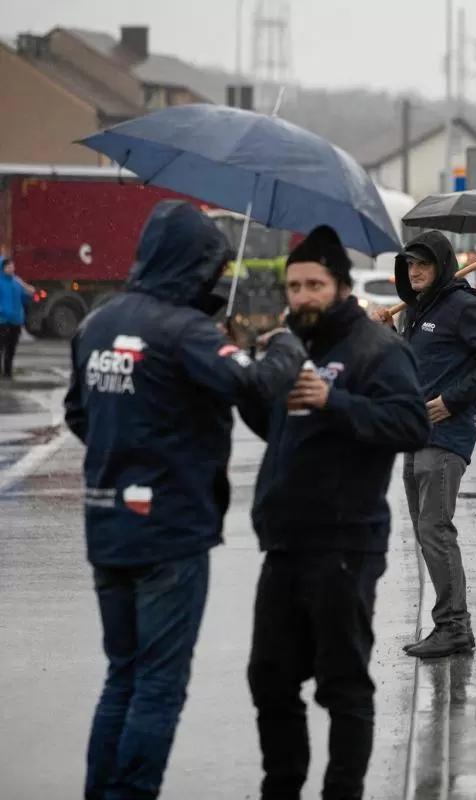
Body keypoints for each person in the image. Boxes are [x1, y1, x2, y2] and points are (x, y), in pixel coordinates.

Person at [63, 200, 307, 800]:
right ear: (193, 265)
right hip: (169, 530)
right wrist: (285, 345)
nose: (217, 278)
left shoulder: (97, 321)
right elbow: (251, 383)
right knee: (159, 685)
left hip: (106, 522)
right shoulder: (184, 331)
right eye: (211, 267)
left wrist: (129, 447)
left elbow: (78, 413)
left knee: (121, 676)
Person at [240, 225, 430, 800]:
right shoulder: (291, 346)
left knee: (343, 684)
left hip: (345, 545)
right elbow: (278, 429)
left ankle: (341, 791)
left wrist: (334, 401)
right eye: (294, 286)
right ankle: (282, 786)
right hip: (285, 542)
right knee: (269, 678)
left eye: (314, 284)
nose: (302, 296)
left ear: (341, 287)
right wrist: (251, 386)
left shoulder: (376, 349)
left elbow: (411, 424)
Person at [393, 230, 476, 659]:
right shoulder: (416, 311)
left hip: (445, 440)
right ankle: (449, 624)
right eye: (410, 264)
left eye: (424, 264)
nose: (415, 271)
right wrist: (389, 332)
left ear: (442, 265)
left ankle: (454, 627)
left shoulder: (462, 306)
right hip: (415, 436)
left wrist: (453, 400)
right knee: (426, 532)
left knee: (434, 529)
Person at [0, 248, 34, 378]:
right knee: (1, 347)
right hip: (2, 320)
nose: (11, 269)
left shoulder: (17, 282)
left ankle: (7, 373)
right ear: (3, 269)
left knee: (11, 349)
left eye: (12, 267)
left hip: (15, 320)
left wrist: (29, 293)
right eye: (8, 267)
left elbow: (24, 298)